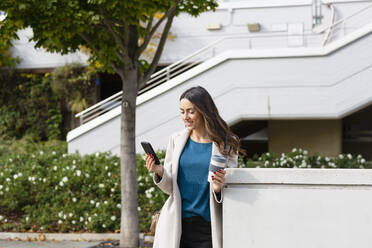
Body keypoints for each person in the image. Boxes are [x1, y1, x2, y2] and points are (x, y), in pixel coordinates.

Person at [145, 86, 242, 248]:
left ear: (204, 111)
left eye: (190, 111)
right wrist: (159, 172)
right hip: (178, 224)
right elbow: (171, 188)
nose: (185, 117)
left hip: (209, 226)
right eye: (182, 112)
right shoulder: (176, 140)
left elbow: (232, 187)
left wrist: (218, 188)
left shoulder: (225, 143)